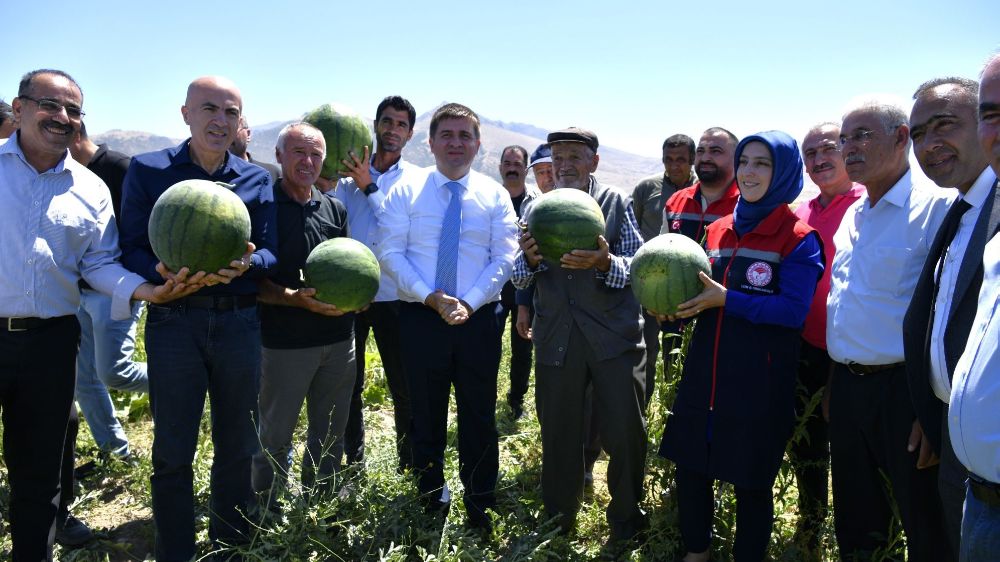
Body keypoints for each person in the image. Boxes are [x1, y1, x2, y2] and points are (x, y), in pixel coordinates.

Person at [0, 68, 196, 562]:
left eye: (72, 109)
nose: (61, 116)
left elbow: (99, 264)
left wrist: (148, 290)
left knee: (40, 470)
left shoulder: (92, 189)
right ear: (19, 108)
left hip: (51, 342)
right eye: (49, 104)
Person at [120, 75, 277, 560]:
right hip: (174, 321)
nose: (220, 120)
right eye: (209, 108)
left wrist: (247, 263)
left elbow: (272, 253)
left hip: (238, 322)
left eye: (231, 112)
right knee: (172, 448)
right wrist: (159, 272)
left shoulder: (256, 178)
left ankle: (228, 545)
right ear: (185, 113)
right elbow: (130, 247)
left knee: (237, 443)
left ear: (240, 122)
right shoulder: (146, 170)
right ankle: (176, 551)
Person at [659, 131, 823, 562]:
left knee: (751, 479)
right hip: (705, 372)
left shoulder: (799, 237)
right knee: (691, 467)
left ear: (784, 172)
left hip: (759, 379)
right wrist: (673, 305)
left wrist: (728, 300)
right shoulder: (717, 230)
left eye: (762, 164)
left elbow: (793, 312)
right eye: (746, 162)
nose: (749, 172)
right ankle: (697, 553)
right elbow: (699, 291)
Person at [377, 102, 518, 530]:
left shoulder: (493, 196)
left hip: (479, 320)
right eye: (447, 135)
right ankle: (430, 502)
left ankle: (480, 504)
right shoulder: (405, 192)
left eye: (465, 136)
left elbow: (505, 256)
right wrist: (431, 298)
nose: (456, 143)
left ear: (477, 144)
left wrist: (470, 302)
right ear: (431, 142)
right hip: (421, 317)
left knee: (478, 414)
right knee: (425, 413)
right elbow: (390, 252)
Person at [826, 97, 952, 562]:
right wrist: (837, 379)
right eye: (844, 139)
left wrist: (930, 408)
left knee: (923, 519)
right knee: (857, 516)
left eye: (862, 135)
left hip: (905, 392)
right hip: (848, 387)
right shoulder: (853, 213)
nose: (848, 148)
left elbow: (946, 313)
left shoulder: (934, 209)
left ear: (901, 139)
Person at [512, 127, 648, 547]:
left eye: (574, 156)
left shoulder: (615, 202)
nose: (564, 164)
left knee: (625, 432)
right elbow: (518, 274)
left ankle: (625, 522)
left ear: (593, 161)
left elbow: (638, 268)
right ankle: (558, 520)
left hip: (614, 338)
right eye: (557, 157)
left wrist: (607, 262)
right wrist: (531, 261)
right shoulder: (537, 207)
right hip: (557, 338)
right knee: (558, 432)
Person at [903, 76, 997, 561]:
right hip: (953, 440)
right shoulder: (959, 211)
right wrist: (934, 409)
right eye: (918, 133)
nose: (929, 144)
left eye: (945, 126)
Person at [252, 122, 357, 508]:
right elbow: (253, 282)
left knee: (330, 429)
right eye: (298, 152)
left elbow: (347, 270)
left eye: (315, 155)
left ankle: (322, 496)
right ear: (279, 156)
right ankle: (266, 504)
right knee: (275, 431)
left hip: (338, 338)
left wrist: (358, 297)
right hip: (284, 343)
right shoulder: (262, 210)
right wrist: (293, 298)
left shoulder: (335, 209)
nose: (307, 161)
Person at [788, 121, 865, 557]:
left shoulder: (867, 205)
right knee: (807, 444)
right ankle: (811, 524)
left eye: (828, 148)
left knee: (852, 449)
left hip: (850, 354)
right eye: (810, 153)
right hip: (804, 349)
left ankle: (857, 535)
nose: (819, 159)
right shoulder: (801, 212)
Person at [331, 95, 418, 471]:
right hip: (349, 296)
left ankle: (410, 462)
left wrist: (369, 184)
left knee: (404, 386)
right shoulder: (346, 178)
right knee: (348, 386)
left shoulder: (415, 181)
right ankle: (355, 462)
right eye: (387, 121)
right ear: (376, 126)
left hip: (393, 296)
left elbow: (403, 230)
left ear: (410, 133)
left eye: (401, 124)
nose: (392, 130)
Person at [632, 133, 696, 408]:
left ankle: (674, 412)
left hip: (685, 292)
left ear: (692, 160)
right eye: (668, 159)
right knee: (643, 354)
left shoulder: (701, 193)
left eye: (681, 159)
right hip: (647, 288)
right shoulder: (647, 188)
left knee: (677, 356)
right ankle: (640, 413)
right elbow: (632, 233)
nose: (674, 165)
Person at [497, 144, 540, 419]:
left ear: (525, 169)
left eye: (517, 163)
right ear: (500, 167)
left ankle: (516, 400)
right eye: (507, 163)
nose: (512, 168)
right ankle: (484, 392)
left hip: (524, 285)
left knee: (522, 345)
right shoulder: (490, 199)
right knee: (488, 343)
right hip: (494, 285)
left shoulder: (536, 204)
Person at [230, 114, 280, 185]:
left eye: (234, 129)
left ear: (248, 134)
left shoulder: (272, 173)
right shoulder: (210, 178)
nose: (228, 135)